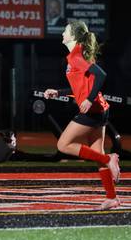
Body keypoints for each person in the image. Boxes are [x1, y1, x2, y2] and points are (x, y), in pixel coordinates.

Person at [44, 20, 120, 210]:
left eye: (65, 31)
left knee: (63, 144)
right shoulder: (76, 55)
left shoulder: (76, 56)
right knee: (97, 155)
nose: (62, 33)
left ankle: (109, 159)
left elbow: (101, 75)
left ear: (74, 36)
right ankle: (112, 198)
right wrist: (59, 93)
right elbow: (79, 85)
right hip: (101, 109)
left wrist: (88, 99)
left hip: (93, 110)